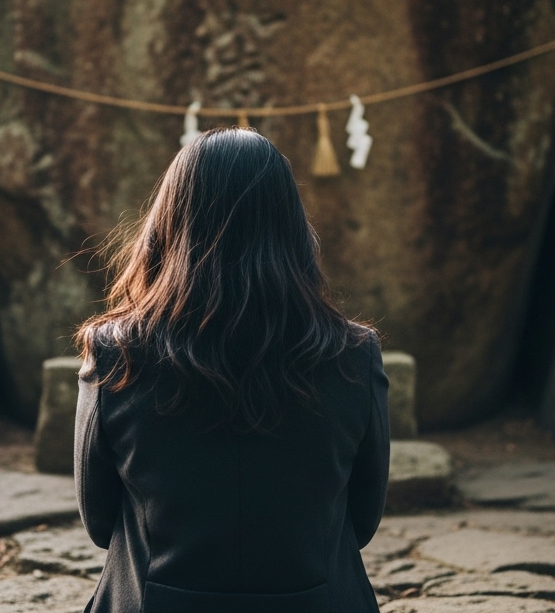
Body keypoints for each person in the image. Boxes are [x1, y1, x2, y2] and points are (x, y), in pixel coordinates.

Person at [73, 128, 390, 613]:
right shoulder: (355, 355)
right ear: (291, 228)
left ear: (170, 223)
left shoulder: (117, 353)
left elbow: (99, 522)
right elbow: (363, 519)